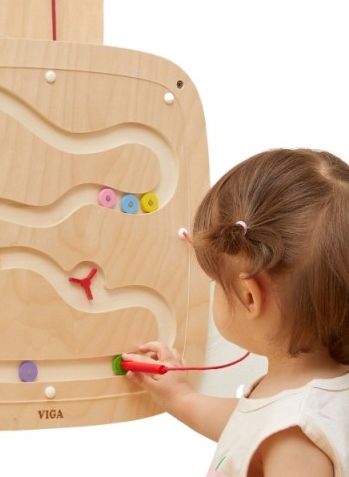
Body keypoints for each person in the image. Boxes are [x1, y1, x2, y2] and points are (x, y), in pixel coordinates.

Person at [124, 148, 349, 476]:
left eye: (216, 282)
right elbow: (248, 424)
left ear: (249, 297)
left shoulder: (294, 442)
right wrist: (180, 397)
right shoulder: (309, 393)